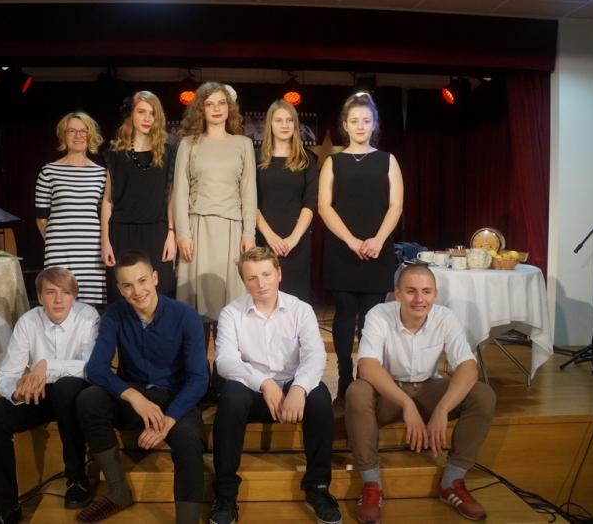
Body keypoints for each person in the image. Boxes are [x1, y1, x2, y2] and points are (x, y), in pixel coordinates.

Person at [345, 264, 496, 523]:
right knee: (357, 391)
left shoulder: (445, 317)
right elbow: (367, 367)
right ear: (397, 293)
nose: (419, 299)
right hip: (389, 392)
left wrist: (442, 409)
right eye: (411, 291)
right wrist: (407, 404)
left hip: (428, 389)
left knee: (483, 394)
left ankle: (452, 482)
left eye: (426, 291)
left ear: (435, 294)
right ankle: (372, 485)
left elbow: (468, 367)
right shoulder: (379, 314)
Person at [74, 250, 208, 523]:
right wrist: (133, 396)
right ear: (119, 288)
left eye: (142, 280)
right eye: (127, 285)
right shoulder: (115, 314)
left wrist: (168, 420)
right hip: (136, 395)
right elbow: (96, 368)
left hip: (175, 397)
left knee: (189, 438)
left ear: (155, 278)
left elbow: (199, 379)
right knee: (89, 400)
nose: (137, 291)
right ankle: (118, 491)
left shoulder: (185, 315)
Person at [210, 247, 341, 524]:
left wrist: (299, 388)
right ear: (244, 282)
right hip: (253, 390)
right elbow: (225, 361)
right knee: (231, 396)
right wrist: (264, 383)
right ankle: (225, 494)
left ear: (279, 274)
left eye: (267, 274)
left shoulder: (301, 309)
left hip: (292, 390)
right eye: (252, 278)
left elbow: (315, 355)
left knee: (319, 398)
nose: (261, 283)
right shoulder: (231, 313)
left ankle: (318, 487)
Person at [0, 267, 100, 524]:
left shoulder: (88, 317)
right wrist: (17, 392)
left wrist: (46, 366)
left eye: (66, 293)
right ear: (39, 296)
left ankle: (77, 480)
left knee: (66, 387)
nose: (58, 300)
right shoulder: (28, 321)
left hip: (75, 397)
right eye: (51, 292)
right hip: (38, 396)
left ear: (75, 296)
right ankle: (7, 508)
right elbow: (6, 375)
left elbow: (93, 368)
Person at [318, 92, 404, 403]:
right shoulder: (334, 161)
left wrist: (378, 240)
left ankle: (366, 376)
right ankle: (344, 374)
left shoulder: (387, 160)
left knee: (371, 317)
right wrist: (351, 241)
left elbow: (395, 205)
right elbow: (324, 206)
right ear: (344, 125)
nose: (360, 125)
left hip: (377, 250)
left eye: (366, 121)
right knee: (344, 312)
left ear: (374, 124)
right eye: (354, 121)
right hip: (343, 248)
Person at [173, 81, 257, 332]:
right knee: (196, 312)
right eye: (210, 104)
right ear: (201, 109)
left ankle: (226, 359)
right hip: (198, 229)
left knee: (229, 310)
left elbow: (248, 191)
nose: (217, 109)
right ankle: (197, 358)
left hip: (232, 229)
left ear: (230, 107)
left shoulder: (243, 144)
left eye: (221, 103)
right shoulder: (188, 143)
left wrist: (249, 233)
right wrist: (183, 234)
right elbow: (180, 191)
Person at [101, 91, 176, 302]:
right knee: (123, 296)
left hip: (156, 231)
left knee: (161, 293)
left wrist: (171, 233)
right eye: (141, 112)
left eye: (152, 113)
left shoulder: (168, 152)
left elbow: (171, 196)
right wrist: (105, 240)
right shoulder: (116, 153)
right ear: (131, 114)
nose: (147, 118)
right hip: (122, 233)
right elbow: (108, 200)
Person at [36, 111, 107, 305]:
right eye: (72, 131)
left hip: (91, 251)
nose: (78, 136)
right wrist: (57, 243)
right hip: (59, 250)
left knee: (89, 309)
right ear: (63, 135)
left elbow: (105, 215)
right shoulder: (49, 171)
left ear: (90, 135)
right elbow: (41, 218)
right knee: (59, 303)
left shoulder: (101, 174)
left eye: (83, 131)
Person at [255, 100, 318, 302]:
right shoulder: (256, 158)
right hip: (264, 240)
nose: (285, 125)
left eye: (290, 120)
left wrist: (294, 238)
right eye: (279, 120)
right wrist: (270, 236)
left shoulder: (307, 159)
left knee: (295, 301)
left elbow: (310, 202)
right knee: (265, 299)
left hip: (297, 242)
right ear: (270, 124)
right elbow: (250, 202)